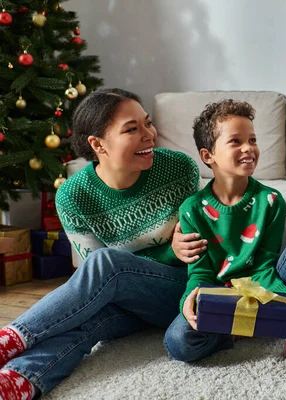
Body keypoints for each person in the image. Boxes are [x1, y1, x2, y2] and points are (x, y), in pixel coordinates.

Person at [0, 88, 209, 399]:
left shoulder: (179, 168)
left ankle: (12, 337)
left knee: (106, 264)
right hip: (121, 302)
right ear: (97, 144)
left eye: (147, 123)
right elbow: (94, 285)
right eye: (132, 129)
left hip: (178, 291)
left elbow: (189, 249)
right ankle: (19, 381)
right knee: (89, 321)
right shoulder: (73, 196)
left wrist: (171, 250)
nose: (149, 135)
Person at [163, 99, 286, 366]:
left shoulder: (271, 201)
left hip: (264, 285)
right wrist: (190, 298)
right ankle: (245, 328)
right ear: (208, 156)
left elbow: (264, 263)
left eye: (252, 140)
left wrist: (282, 293)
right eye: (236, 141)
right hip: (220, 294)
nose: (248, 148)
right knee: (178, 342)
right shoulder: (191, 210)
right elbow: (201, 273)